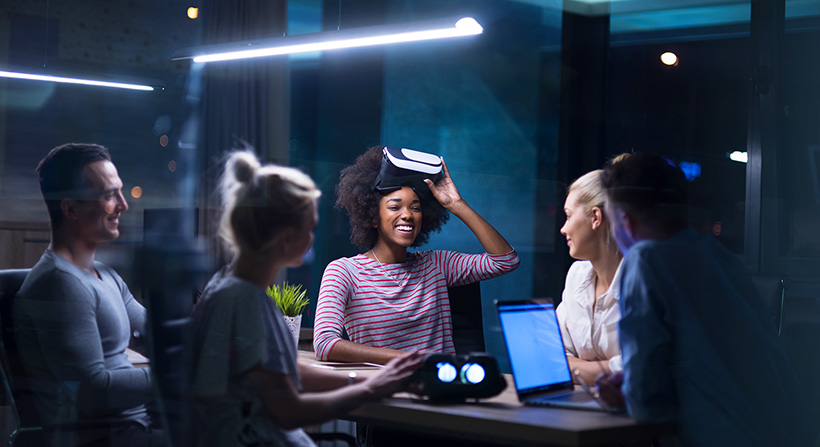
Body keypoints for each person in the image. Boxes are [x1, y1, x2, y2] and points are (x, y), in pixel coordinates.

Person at [189, 151, 424, 447]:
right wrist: (369, 390)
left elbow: (282, 372)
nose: (313, 238)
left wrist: (374, 380)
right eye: (309, 228)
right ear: (286, 238)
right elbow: (289, 411)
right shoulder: (243, 300)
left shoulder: (231, 286)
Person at [596, 152, 811, 446]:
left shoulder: (646, 260)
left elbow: (648, 406)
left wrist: (625, 393)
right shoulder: (720, 256)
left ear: (626, 222)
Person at [14, 143, 164, 447]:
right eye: (109, 196)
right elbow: (94, 390)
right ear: (70, 208)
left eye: (120, 192)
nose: (123, 204)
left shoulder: (104, 274)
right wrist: (179, 375)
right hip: (113, 439)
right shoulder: (59, 284)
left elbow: (156, 332)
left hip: (141, 424)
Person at [313, 146, 520, 364]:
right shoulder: (344, 272)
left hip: (442, 388)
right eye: (395, 207)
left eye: (416, 208)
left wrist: (457, 205)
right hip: (382, 389)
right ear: (373, 217)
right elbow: (325, 344)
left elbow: (506, 260)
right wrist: (411, 360)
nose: (407, 215)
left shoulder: (436, 265)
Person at [556, 167, 623, 385]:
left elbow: (635, 371)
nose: (563, 229)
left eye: (568, 216)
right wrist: (609, 370)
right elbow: (552, 357)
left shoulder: (641, 282)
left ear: (595, 217)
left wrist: (574, 367)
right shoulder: (577, 274)